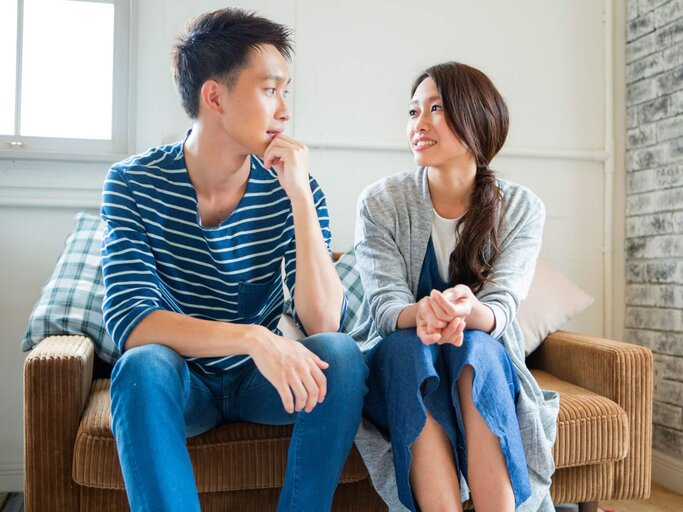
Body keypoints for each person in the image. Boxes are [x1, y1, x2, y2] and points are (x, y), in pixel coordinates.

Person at [100, 8, 367, 512]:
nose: (284, 110)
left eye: (286, 92)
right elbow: (131, 322)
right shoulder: (132, 183)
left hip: (260, 383)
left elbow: (324, 321)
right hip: (183, 381)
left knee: (341, 355)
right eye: (270, 90)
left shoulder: (295, 187)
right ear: (215, 96)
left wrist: (300, 199)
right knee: (142, 364)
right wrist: (253, 337)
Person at [351, 62, 559, 512]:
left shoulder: (521, 207)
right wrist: (421, 314)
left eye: (436, 109)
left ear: (475, 119)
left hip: (477, 355)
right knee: (409, 348)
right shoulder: (381, 202)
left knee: (479, 347)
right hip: (401, 361)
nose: (418, 124)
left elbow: (503, 301)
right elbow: (386, 307)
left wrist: (468, 313)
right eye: (412, 112)